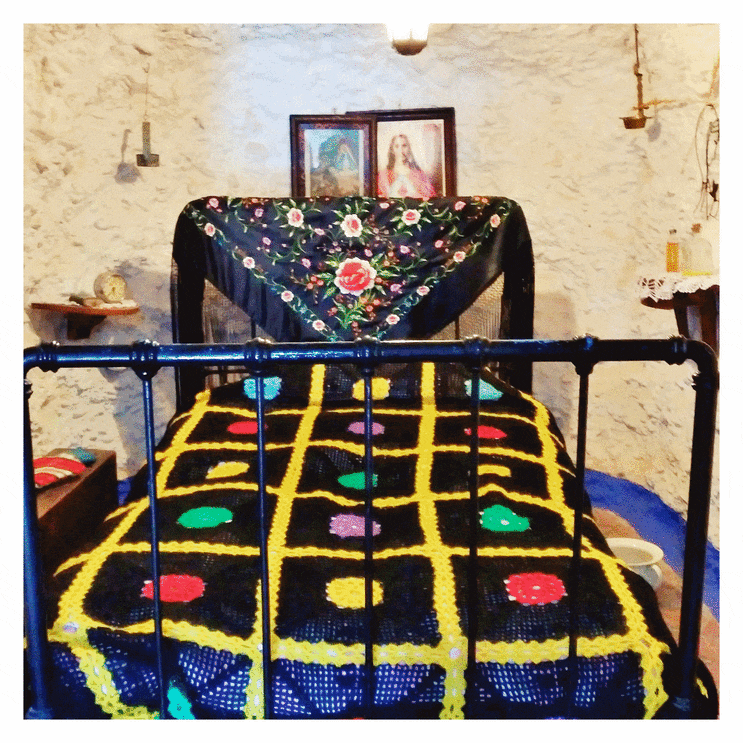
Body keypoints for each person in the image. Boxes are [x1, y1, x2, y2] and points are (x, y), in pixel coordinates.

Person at [377, 134, 436, 198]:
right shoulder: (383, 174)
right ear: (392, 150)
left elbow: (430, 196)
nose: (401, 151)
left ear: (409, 148)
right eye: (397, 146)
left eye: (404, 146)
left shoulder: (419, 174)